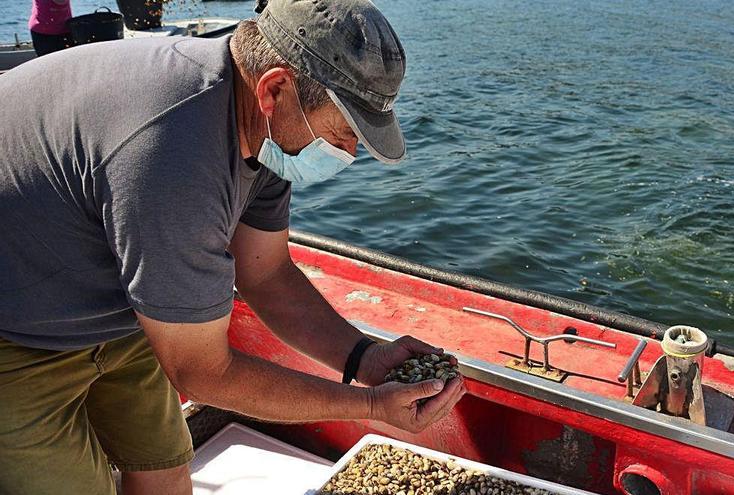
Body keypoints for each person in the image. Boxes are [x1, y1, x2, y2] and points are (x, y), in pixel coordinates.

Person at [0, 0, 466, 493]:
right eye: (344, 132)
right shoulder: (172, 153)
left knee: (164, 467)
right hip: (15, 330)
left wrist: (364, 358)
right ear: (277, 89)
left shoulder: (263, 127)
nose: (348, 154)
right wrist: (370, 408)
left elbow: (264, 273)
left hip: (113, 312)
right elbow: (202, 373)